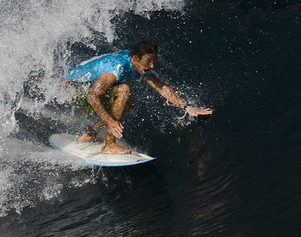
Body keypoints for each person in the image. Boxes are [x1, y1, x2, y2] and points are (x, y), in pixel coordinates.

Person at [65, 40, 211, 155]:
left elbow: (161, 87)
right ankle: (109, 144)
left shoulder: (135, 63)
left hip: (82, 88)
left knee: (126, 102)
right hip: (71, 90)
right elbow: (92, 97)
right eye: (149, 61)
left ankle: (89, 134)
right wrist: (111, 122)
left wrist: (187, 107)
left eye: (153, 61)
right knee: (124, 91)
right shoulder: (117, 67)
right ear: (135, 58)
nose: (152, 65)